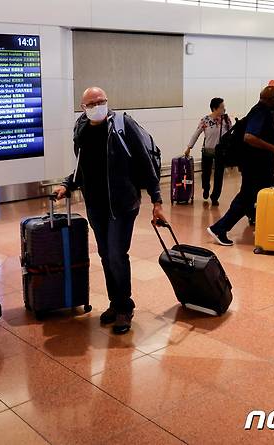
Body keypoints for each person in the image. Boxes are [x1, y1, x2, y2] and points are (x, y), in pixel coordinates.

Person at [53, 87, 166, 334]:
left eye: (101, 101)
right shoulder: (81, 128)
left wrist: (157, 201)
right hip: (96, 204)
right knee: (105, 255)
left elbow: (146, 165)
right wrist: (66, 184)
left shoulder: (123, 125)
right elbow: (82, 166)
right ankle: (116, 303)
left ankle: (125, 307)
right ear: (83, 108)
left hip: (123, 204)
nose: (98, 106)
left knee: (116, 254)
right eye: (92, 103)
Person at [207, 86, 274, 246]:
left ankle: (258, 225)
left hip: (256, 164)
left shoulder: (262, 111)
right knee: (246, 197)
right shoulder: (260, 111)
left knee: (252, 196)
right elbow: (249, 137)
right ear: (271, 100)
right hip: (255, 165)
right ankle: (220, 228)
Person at [185, 98, 231, 206]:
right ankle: (206, 188)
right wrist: (189, 147)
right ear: (214, 108)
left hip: (221, 152)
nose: (224, 109)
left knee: (219, 174)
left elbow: (230, 134)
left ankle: (215, 196)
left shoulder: (226, 120)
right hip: (207, 151)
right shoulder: (205, 120)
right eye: (221, 107)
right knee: (206, 174)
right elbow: (196, 134)